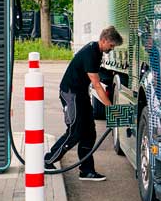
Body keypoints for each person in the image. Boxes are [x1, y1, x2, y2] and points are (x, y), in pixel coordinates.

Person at [45, 26, 122, 181]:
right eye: (111, 45)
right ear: (104, 40)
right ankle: (47, 161)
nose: (112, 49)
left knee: (89, 132)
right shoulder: (90, 53)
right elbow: (97, 85)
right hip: (71, 93)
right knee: (75, 131)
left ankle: (86, 170)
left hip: (81, 94)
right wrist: (111, 108)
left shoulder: (97, 51)